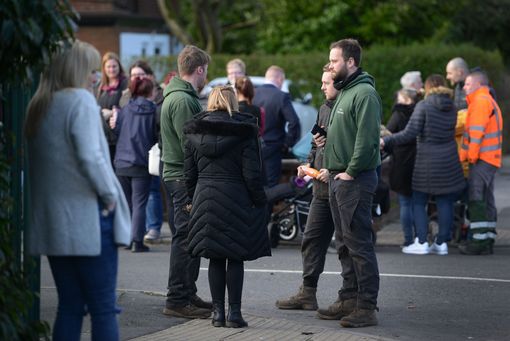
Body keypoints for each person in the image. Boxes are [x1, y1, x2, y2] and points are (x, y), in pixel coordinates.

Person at [25, 40, 131, 341]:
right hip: (91, 218)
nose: (95, 77)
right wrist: (109, 195)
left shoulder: (39, 105)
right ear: (77, 69)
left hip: (55, 223)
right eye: (92, 69)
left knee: (69, 306)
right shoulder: (80, 101)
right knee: (103, 309)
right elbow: (91, 157)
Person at [183, 86, 270, 328]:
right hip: (236, 199)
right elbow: (252, 175)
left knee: (214, 257)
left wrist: (193, 198)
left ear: (209, 102)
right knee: (235, 257)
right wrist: (260, 202)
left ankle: (217, 314)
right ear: (234, 102)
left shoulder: (194, 133)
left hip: (204, 197)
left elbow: (188, 174)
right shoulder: (244, 132)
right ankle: (234, 314)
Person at [319, 38, 381, 328]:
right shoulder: (344, 92)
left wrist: (351, 171)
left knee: (359, 245)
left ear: (351, 62)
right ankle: (348, 298)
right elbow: (348, 136)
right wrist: (327, 142)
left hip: (353, 180)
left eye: (334, 60)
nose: (330, 65)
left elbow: (368, 141)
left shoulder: (364, 93)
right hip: (338, 178)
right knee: (344, 244)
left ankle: (366, 307)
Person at [275, 65, 338, 311]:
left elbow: (351, 146)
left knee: (345, 246)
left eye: (326, 83)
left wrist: (330, 168)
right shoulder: (323, 109)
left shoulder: (347, 108)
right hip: (319, 191)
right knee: (311, 239)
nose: (322, 87)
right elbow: (315, 141)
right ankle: (307, 293)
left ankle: (351, 297)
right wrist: (308, 164)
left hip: (340, 187)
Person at [381, 75, 465, 256]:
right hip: (449, 159)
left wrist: (387, 140)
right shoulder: (452, 107)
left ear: (427, 88)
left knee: (419, 201)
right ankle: (442, 243)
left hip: (427, 160)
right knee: (445, 201)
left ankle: (421, 242)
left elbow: (409, 133)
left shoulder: (423, 106)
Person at [160, 45, 212, 318]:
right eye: (206, 72)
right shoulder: (183, 100)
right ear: (200, 69)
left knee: (187, 237)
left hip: (176, 175)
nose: (206, 78)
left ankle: (186, 294)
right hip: (182, 177)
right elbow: (189, 146)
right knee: (184, 239)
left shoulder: (177, 95)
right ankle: (178, 299)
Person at [458, 71, 503, 255]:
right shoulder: (488, 100)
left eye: (468, 84)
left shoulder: (480, 102)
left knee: (476, 197)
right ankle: (488, 238)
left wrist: (470, 157)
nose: (464, 87)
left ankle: (478, 243)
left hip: (481, 159)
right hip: (490, 158)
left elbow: (476, 134)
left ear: (478, 84)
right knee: (487, 198)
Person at [111, 77, 157, 252]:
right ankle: (137, 241)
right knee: (139, 203)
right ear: (149, 91)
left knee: (128, 204)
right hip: (141, 162)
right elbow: (155, 135)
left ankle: (128, 239)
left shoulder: (126, 109)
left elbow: (117, 131)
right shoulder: (153, 110)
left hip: (122, 162)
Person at [253, 65, 300, 187]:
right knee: (270, 185)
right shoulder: (281, 96)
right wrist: (287, 144)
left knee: (254, 184)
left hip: (252, 146)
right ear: (280, 79)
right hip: (273, 146)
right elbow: (294, 122)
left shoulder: (252, 94)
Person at [386, 88, 419, 248]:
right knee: (419, 203)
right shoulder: (420, 112)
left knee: (405, 203)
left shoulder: (399, 114)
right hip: (419, 161)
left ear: (405, 99)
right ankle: (421, 238)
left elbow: (388, 135)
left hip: (401, 161)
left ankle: (408, 240)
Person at [97, 52, 128, 163]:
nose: (111, 69)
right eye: (108, 67)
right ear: (104, 69)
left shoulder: (125, 84)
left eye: (114, 66)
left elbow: (128, 107)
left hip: (119, 137)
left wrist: (111, 113)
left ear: (119, 66)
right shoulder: (100, 87)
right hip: (103, 137)